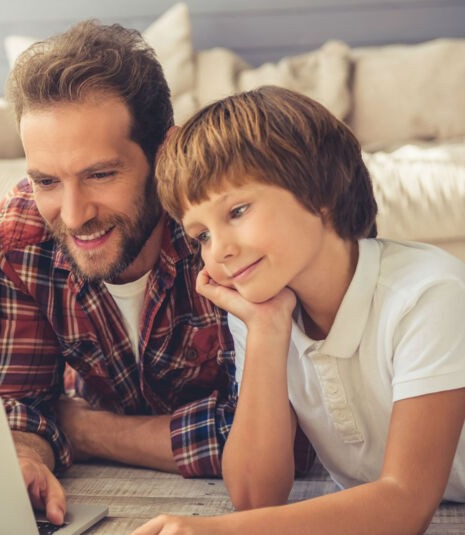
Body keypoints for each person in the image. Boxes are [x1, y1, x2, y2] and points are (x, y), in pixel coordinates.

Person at [133, 85, 465, 535]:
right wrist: (267, 331)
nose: (219, 253)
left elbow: (406, 503)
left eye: (238, 211)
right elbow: (254, 498)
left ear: (320, 189)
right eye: (202, 236)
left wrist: (215, 531)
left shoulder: (429, 295)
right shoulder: (264, 307)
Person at [0, 20, 237, 526]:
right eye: (48, 181)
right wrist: (25, 457)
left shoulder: (225, 231)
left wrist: (88, 432)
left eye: (100, 175)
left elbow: (277, 437)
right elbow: (19, 404)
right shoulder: (22, 235)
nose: (74, 215)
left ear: (165, 153)